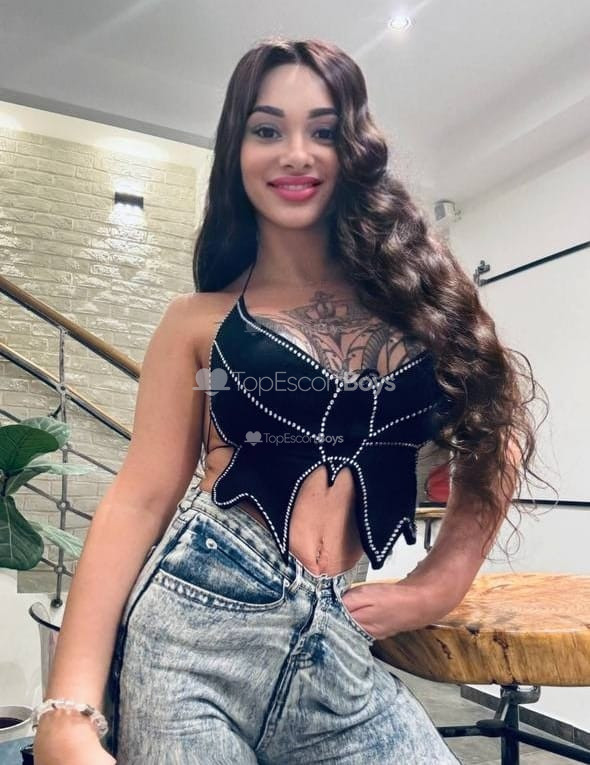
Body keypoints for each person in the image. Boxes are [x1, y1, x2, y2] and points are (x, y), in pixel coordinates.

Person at [34, 37, 547, 765]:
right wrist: (67, 711)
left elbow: (498, 437)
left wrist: (437, 584)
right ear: (236, 150)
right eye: (267, 129)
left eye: (324, 131)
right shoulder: (198, 321)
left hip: (337, 650)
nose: (296, 153)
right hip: (193, 638)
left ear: (354, 148)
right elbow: (139, 499)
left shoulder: (419, 308)